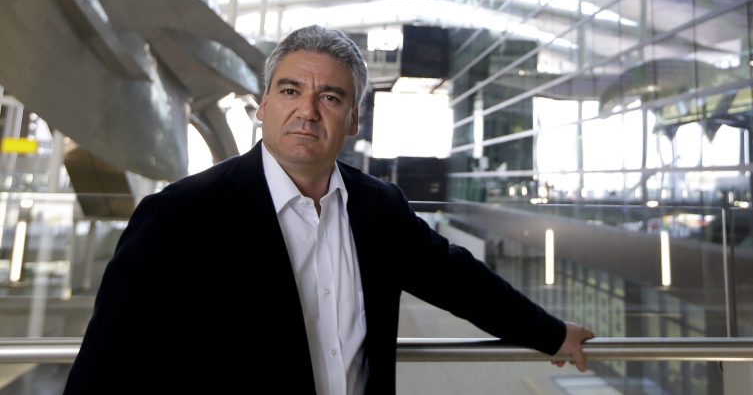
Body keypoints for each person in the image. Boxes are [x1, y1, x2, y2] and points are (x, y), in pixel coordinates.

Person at [64, 25, 594, 394]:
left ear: (353, 121)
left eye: (331, 97)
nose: (308, 111)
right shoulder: (179, 216)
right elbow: (107, 368)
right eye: (290, 91)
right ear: (263, 106)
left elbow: (457, 279)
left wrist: (551, 333)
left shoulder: (377, 207)